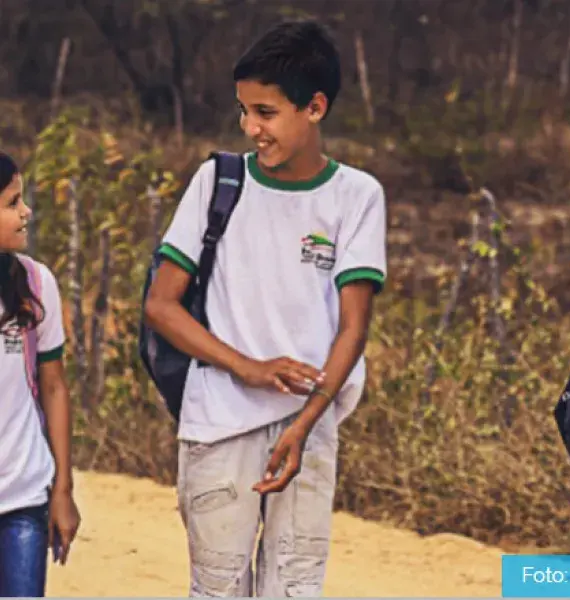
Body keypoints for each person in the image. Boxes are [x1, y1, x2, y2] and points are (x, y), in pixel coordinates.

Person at [143, 19, 387, 598]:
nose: (252, 127)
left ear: (316, 108)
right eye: (244, 111)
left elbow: (353, 329)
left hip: (310, 426)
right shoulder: (217, 181)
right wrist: (247, 367)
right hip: (219, 426)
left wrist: (306, 423)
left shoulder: (357, 196)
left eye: (266, 112)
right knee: (219, 589)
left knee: (295, 590)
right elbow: (161, 306)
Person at [0, 152, 81, 597]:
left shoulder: (35, 283)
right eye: (13, 202)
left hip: (23, 497)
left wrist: (62, 490)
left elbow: (53, 386)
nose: (26, 211)